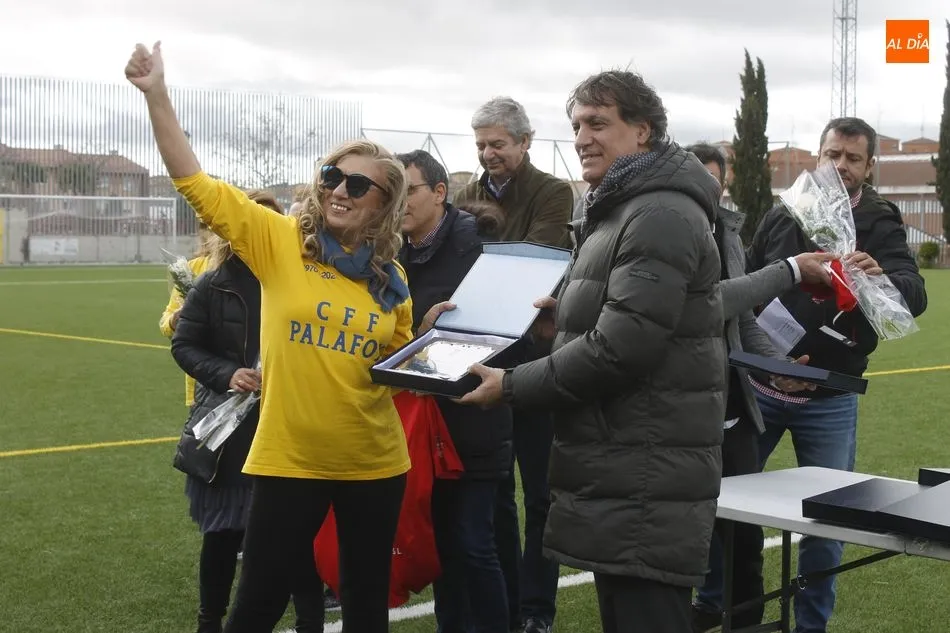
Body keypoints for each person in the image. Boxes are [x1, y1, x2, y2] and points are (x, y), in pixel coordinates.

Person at [126, 41, 417, 633]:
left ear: (384, 205)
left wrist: (432, 347)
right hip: (290, 459)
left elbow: (393, 368)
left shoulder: (391, 279)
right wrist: (157, 95)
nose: (340, 190)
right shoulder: (279, 241)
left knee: (366, 605)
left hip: (375, 460)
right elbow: (196, 183)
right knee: (257, 604)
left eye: (358, 185)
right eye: (332, 176)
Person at [459, 69, 726, 633]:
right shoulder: (627, 204)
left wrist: (510, 385)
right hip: (625, 461)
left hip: (646, 470)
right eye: (577, 124)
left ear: (643, 130)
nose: (581, 137)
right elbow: (632, 321)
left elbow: (620, 350)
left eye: (598, 123)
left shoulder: (658, 213)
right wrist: (564, 323)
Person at [744, 117, 928, 633]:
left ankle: (811, 626)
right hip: (759, 387)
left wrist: (881, 278)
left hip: (829, 397)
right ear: (818, 156)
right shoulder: (784, 212)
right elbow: (744, 282)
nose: (841, 165)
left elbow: (915, 295)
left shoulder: (880, 221)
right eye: (833, 155)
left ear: (870, 167)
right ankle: (728, 607)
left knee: (828, 521)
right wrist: (766, 358)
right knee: (729, 505)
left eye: (852, 158)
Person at [685, 143, 836, 632]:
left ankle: (744, 622)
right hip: (684, 414)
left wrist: (779, 367)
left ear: (723, 184)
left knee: (745, 538)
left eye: (714, 181)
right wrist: (788, 269)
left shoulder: (728, 232)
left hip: (735, 412)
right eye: (697, 178)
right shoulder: (668, 231)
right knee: (690, 533)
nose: (706, 190)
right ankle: (698, 610)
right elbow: (710, 302)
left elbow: (742, 320)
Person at [171, 191, 325, 633]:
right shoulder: (213, 284)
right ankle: (210, 621)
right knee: (223, 533)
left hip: (291, 424)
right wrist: (227, 373)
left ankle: (311, 621)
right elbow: (184, 345)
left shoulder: (308, 280)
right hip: (231, 433)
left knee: (297, 536)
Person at [454, 96, 574, 633]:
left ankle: (537, 609)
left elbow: (535, 259)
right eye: (481, 144)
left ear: (525, 142)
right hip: (483, 357)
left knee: (541, 494)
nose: (488, 153)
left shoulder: (553, 192)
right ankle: (504, 603)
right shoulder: (465, 195)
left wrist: (483, 256)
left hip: (535, 360)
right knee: (496, 491)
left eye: (497, 144)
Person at [396, 149, 513, 633]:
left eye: (409, 190)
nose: (399, 201)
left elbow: (506, 335)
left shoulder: (481, 248)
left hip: (475, 418)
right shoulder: (392, 255)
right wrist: (418, 337)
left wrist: (429, 339)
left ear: (440, 193)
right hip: (423, 427)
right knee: (443, 544)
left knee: (473, 543)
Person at [160, 222, 213, 406]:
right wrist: (175, 320)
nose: (212, 232)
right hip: (200, 383)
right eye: (206, 226)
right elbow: (166, 324)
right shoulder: (190, 269)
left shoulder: (253, 267)